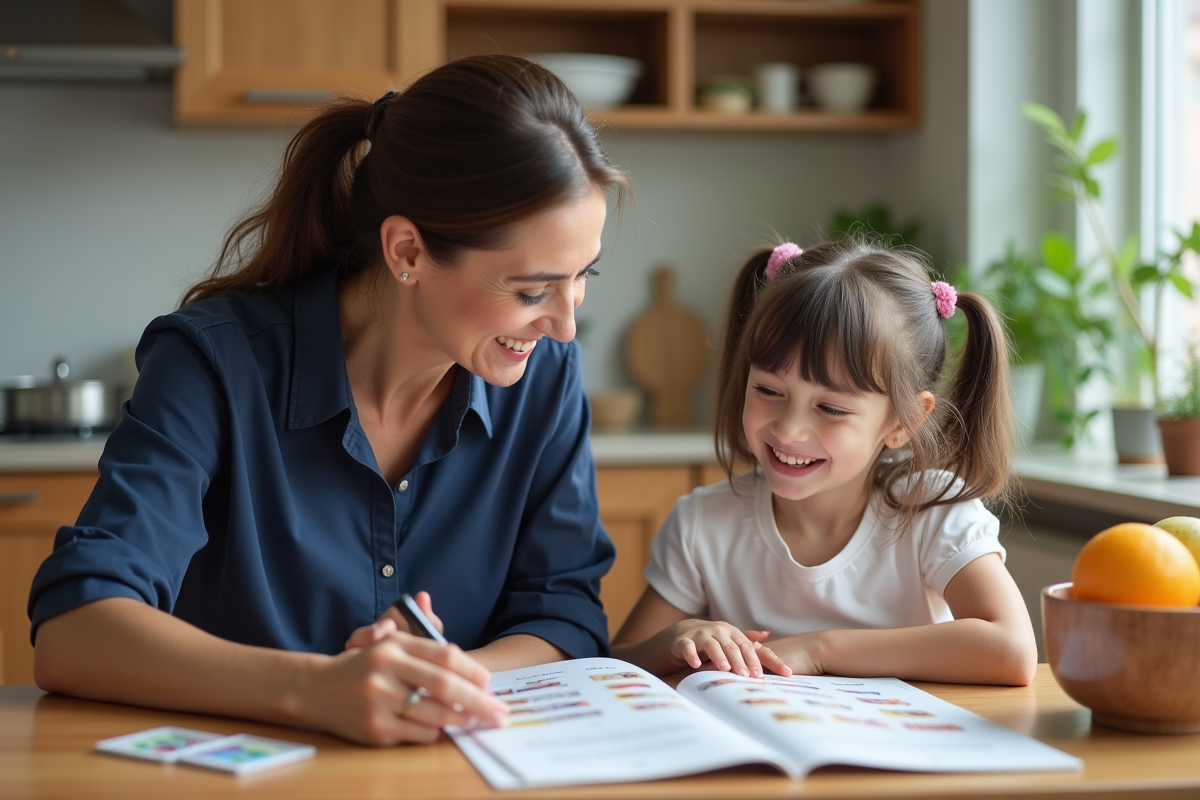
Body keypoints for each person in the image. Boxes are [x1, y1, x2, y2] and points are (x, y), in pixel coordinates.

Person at [28, 55, 630, 745]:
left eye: (585, 275)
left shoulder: (546, 378)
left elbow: (565, 615)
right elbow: (73, 631)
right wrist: (316, 690)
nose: (564, 323)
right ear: (407, 249)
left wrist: (434, 678)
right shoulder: (213, 364)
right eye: (531, 290)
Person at [612, 238, 1037, 686]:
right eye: (769, 391)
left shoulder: (932, 511)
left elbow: (1010, 650)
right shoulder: (703, 523)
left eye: (830, 408)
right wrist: (678, 637)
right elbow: (616, 663)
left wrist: (818, 648)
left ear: (903, 421)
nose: (789, 430)